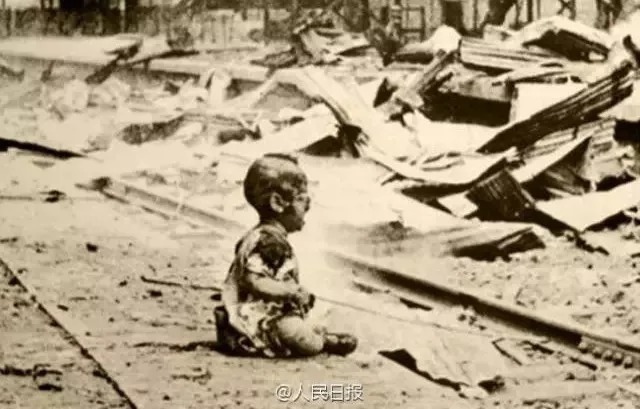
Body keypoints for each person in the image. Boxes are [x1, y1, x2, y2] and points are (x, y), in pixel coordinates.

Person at [215, 153, 358, 358]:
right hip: (252, 321)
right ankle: (322, 342)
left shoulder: (258, 236)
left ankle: (317, 335)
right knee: (299, 336)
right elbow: (254, 280)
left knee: (298, 324)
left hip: (252, 314)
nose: (308, 206)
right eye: (301, 199)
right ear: (277, 202)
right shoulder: (269, 242)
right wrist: (291, 292)